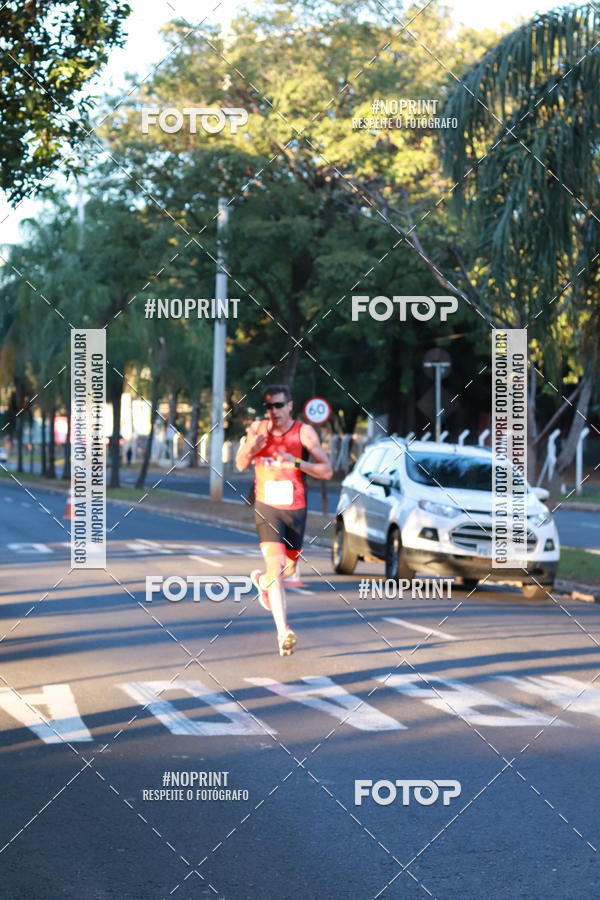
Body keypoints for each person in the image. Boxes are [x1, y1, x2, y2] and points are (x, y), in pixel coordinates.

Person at [236, 385, 332, 655]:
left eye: (279, 405)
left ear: (290, 405)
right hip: (267, 507)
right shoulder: (257, 429)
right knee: (276, 564)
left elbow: (327, 470)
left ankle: (263, 581)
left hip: (296, 509)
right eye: (269, 407)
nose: (273, 411)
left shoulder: (304, 432)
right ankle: (283, 632)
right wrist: (250, 447)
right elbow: (240, 464)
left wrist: (296, 463)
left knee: (287, 570)